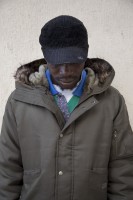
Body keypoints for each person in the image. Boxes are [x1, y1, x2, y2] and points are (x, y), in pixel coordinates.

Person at [0, 15, 133, 200]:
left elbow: (122, 167)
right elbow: (7, 169)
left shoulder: (111, 102)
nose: (65, 71)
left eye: (73, 61)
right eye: (56, 63)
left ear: (85, 54)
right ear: (45, 56)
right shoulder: (19, 102)